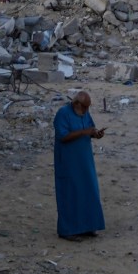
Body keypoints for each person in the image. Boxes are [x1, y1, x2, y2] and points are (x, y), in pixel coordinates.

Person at [52, 91, 108, 239]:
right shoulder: (63, 113)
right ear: (77, 104)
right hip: (69, 160)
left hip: (85, 159)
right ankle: (68, 230)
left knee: (89, 190)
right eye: (84, 107)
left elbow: (90, 128)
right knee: (71, 192)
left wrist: (95, 134)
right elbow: (63, 136)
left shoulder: (84, 114)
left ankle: (88, 226)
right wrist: (83, 132)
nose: (86, 110)